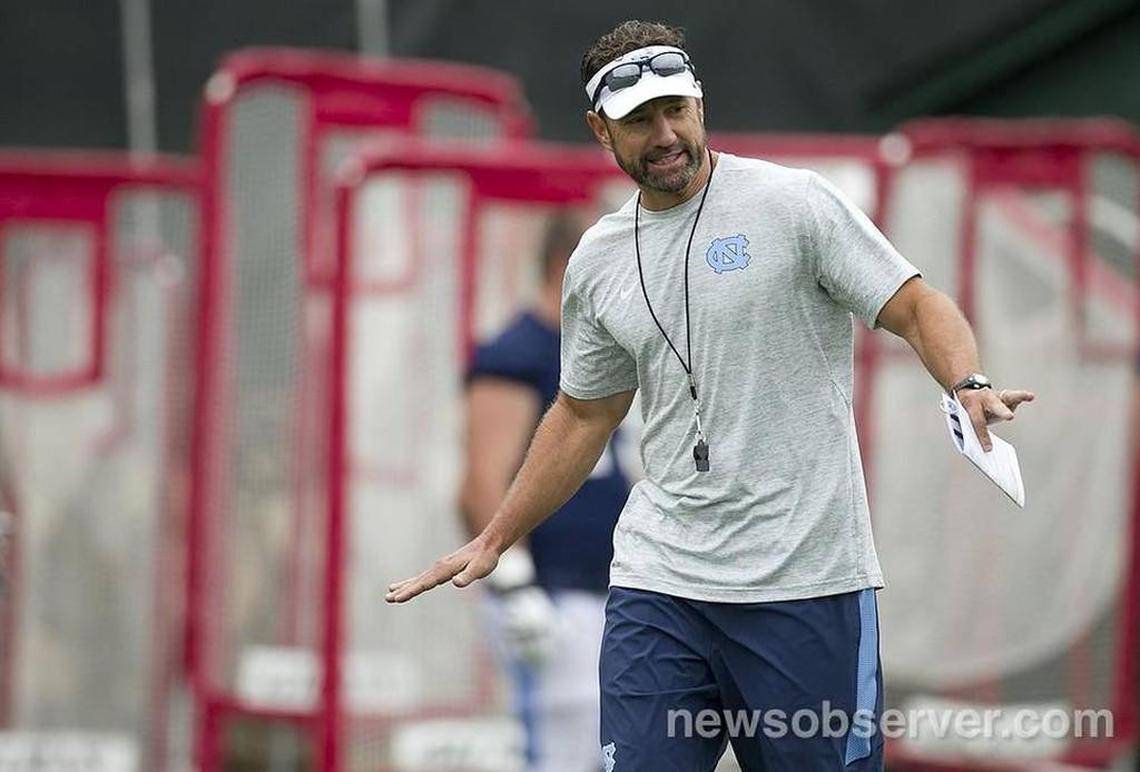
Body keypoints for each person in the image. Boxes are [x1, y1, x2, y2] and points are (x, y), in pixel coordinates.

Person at [388, 19, 1035, 771]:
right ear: (601, 130)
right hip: (659, 584)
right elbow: (585, 411)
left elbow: (916, 304)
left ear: (699, 103)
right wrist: (497, 536)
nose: (666, 134)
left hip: (806, 582)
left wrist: (967, 382)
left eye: (677, 110)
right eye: (639, 121)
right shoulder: (596, 259)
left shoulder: (794, 204)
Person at [459, 213, 632, 772]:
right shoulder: (517, 355)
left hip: (611, 589)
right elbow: (480, 482)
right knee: (559, 750)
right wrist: (516, 588)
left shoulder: (602, 347)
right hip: (552, 595)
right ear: (570, 265)